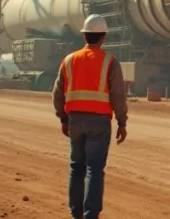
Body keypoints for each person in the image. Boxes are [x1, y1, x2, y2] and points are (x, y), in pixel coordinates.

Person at [52, 14, 128, 219]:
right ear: (103, 37)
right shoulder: (110, 62)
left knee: (76, 167)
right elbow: (118, 95)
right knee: (94, 169)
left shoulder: (69, 60)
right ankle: (91, 214)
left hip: (75, 120)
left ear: (84, 36)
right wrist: (122, 122)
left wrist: (63, 119)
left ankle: (75, 213)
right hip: (99, 122)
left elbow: (57, 93)